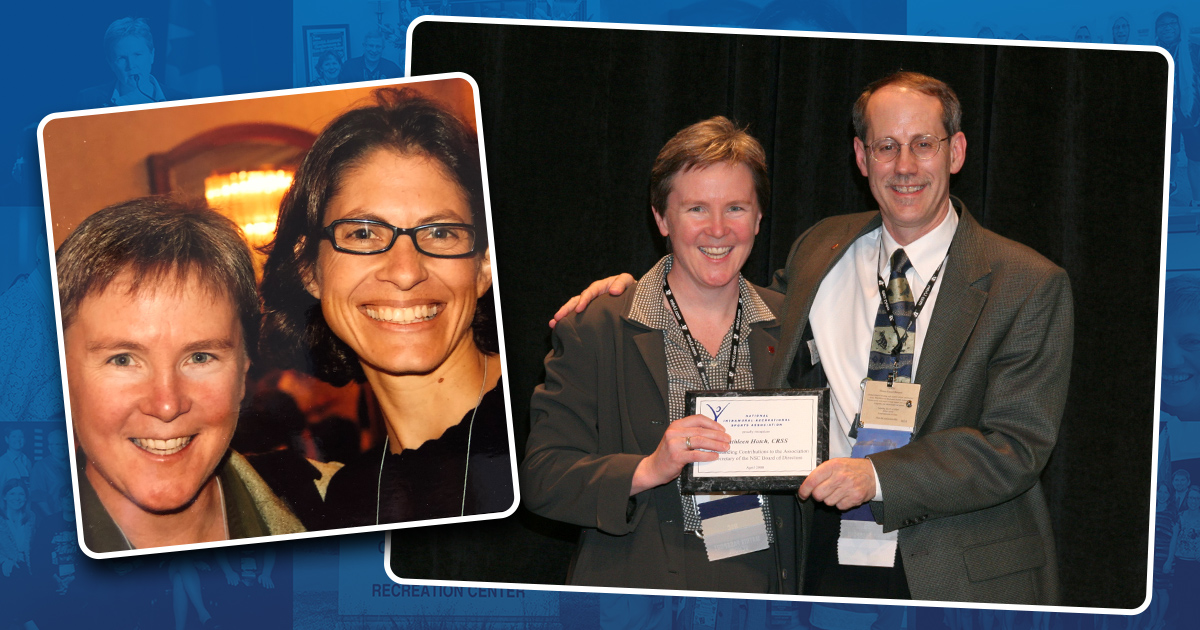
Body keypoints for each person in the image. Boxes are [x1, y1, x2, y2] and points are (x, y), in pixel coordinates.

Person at [554, 71, 1072, 604]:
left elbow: (1015, 445)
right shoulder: (822, 251)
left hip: (956, 574)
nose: (905, 166)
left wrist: (877, 478)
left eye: (923, 144)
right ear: (861, 157)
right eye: (886, 146)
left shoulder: (1026, 283)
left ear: (956, 151)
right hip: (822, 561)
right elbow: (722, 293)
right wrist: (633, 290)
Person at [522, 117, 800, 592]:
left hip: (764, 586)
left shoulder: (793, 324)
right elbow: (543, 478)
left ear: (757, 218)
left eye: (735, 207)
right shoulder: (598, 326)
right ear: (662, 219)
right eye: (696, 208)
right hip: (642, 586)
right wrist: (648, 468)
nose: (718, 229)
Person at [260, 87, 510, 526]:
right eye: (362, 233)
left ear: (483, 265)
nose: (405, 271)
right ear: (309, 269)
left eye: (440, 233)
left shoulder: (553, 422)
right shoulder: (347, 501)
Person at [57, 197, 304, 552]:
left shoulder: (341, 508)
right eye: (122, 359)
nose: (167, 405)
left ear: (243, 372)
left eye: (200, 357)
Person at [77, 18, 187, 108]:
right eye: (121, 58)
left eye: (137, 55)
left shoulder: (182, 101)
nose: (131, 65)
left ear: (152, 55)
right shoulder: (88, 101)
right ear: (111, 64)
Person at [30, 428, 69, 517]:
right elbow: (39, 496)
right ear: (50, 447)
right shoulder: (40, 466)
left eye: (64, 443)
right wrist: (52, 517)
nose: (62, 447)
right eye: (57, 444)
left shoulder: (74, 463)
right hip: (55, 515)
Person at [338, 31, 402, 83]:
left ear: (383, 48)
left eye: (378, 46)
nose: (374, 50)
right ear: (364, 46)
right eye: (371, 46)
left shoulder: (392, 69)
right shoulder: (349, 67)